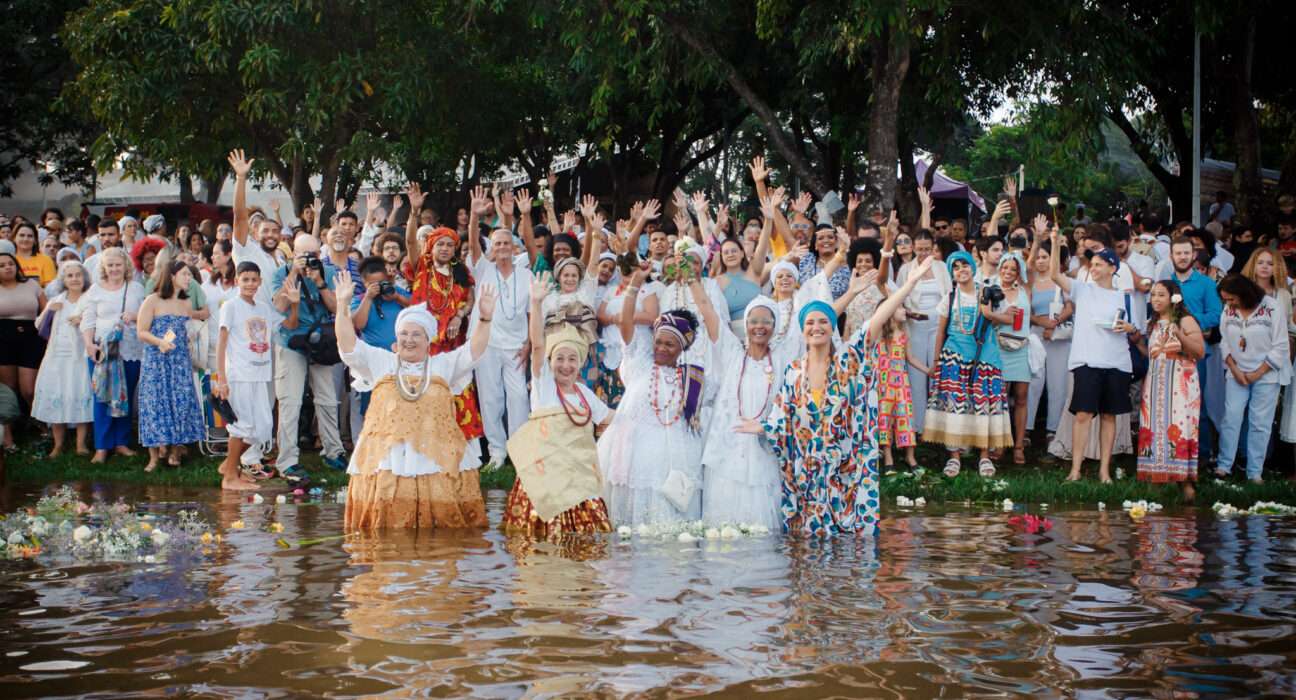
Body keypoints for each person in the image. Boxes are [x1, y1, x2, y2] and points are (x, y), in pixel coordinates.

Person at [737, 257, 934, 536]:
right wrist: (762, 427)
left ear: (832, 328)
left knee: (848, 547)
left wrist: (910, 283)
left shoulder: (849, 359)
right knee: (809, 546)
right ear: (803, 331)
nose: (816, 327)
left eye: (823, 322)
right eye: (810, 323)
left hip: (845, 468)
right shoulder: (794, 372)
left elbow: (878, 318)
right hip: (808, 472)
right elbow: (783, 418)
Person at [333, 269, 496, 529]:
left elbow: (473, 352)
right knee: (383, 534)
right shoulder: (381, 361)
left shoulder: (442, 365)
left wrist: (485, 319)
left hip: (436, 457)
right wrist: (342, 305)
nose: (409, 340)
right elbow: (348, 345)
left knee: (444, 535)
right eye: (404, 334)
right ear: (396, 338)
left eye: (416, 334)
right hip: (387, 457)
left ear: (428, 340)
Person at [598, 269, 720, 526]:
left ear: (681, 348)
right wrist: (634, 287)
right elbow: (627, 323)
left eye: (669, 345)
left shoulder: (692, 377)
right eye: (659, 342)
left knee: (672, 527)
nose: (662, 349)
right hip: (636, 456)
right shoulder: (638, 363)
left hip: (676, 459)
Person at [502, 277, 614, 536]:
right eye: (559, 358)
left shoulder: (584, 394)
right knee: (537, 538)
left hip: (577, 477)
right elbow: (538, 344)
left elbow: (610, 419)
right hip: (545, 476)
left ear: (580, 363)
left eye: (572, 359)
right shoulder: (544, 385)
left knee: (584, 541)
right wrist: (536, 303)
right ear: (550, 362)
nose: (565, 365)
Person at [405, 183, 486, 472]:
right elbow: (410, 244)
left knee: (460, 392)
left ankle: (466, 455)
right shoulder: (421, 269)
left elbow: (469, 301)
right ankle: (425, 450)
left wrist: (458, 316)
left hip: (454, 343)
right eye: (440, 243)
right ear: (432, 246)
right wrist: (414, 211)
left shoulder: (461, 274)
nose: (444, 248)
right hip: (425, 344)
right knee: (427, 392)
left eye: (449, 244)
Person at [1047, 231, 1138, 483]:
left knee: (1109, 416)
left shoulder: (1125, 297)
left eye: (1099, 264)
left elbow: (1135, 330)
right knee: (1083, 415)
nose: (1094, 268)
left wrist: (1129, 328)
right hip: (1087, 360)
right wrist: (1055, 245)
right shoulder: (1082, 290)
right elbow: (1055, 275)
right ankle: (1075, 470)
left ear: (1112, 267)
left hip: (1117, 361)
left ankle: (1104, 470)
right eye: (1092, 264)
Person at [701, 295, 796, 529]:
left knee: (761, 525)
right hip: (728, 449)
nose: (759, 326)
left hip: (765, 449)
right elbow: (707, 308)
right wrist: (692, 279)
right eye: (753, 321)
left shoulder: (784, 359)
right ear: (745, 325)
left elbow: (818, 318)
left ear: (775, 326)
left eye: (766, 321)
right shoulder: (732, 352)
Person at [923, 251, 1013, 477]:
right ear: (951, 273)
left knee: (983, 404)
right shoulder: (950, 297)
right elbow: (941, 331)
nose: (961, 270)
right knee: (955, 404)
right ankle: (955, 456)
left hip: (985, 357)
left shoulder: (988, 292)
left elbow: (1010, 319)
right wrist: (936, 362)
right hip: (954, 357)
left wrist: (988, 313)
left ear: (973, 267)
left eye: (965, 265)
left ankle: (984, 455)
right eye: (956, 267)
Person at [467, 188, 534, 470]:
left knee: (518, 397)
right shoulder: (483, 269)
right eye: (497, 244)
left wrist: (530, 343)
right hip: (488, 344)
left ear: (513, 247)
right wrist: (474, 215)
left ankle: (519, 450)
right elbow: (472, 244)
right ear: (491, 248)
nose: (502, 248)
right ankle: (496, 452)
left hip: (517, 345)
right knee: (491, 397)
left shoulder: (525, 272)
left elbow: (533, 312)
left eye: (507, 243)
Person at [272, 234, 347, 479]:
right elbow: (279, 307)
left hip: (320, 342)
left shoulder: (327, 271)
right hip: (291, 341)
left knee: (327, 399)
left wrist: (320, 282)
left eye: (314, 255)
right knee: (290, 402)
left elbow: (337, 307)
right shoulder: (280, 273)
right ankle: (287, 462)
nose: (309, 260)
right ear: (293, 253)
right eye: (304, 255)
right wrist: (293, 274)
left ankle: (333, 452)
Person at [1216, 274, 1291, 484]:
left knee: (1260, 422)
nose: (1229, 304)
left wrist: (1258, 373)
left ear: (1244, 294)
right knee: (1231, 417)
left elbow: (1281, 345)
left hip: (1266, 373)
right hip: (1236, 371)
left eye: (1232, 299)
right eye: (1226, 300)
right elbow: (1224, 341)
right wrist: (1234, 368)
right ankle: (1224, 466)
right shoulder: (1229, 309)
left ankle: (1254, 471)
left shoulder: (1272, 307)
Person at [213, 261, 279, 490]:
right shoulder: (230, 306)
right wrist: (221, 379)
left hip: (260, 375)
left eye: (254, 279)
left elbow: (285, 323)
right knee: (241, 426)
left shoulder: (263, 307)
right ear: (237, 281)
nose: (250, 284)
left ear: (260, 281)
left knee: (261, 428)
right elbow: (221, 345)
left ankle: (228, 465)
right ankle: (230, 477)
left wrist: (294, 301)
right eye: (245, 279)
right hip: (238, 375)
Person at [1136, 280, 1204, 500]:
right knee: (1155, 427)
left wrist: (1180, 335)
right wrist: (1136, 340)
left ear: (1173, 297)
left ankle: (1185, 484)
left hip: (1180, 385)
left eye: (1161, 295)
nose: (1155, 299)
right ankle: (1155, 480)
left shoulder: (1185, 320)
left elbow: (1200, 351)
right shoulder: (1153, 323)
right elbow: (1154, 353)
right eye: (1153, 295)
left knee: (1180, 427)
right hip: (1156, 384)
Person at [135, 260, 205, 471]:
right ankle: (154, 456)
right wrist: (160, 342)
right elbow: (141, 331)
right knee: (155, 403)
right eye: (184, 274)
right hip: (156, 361)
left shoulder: (186, 303)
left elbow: (189, 328)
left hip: (180, 360)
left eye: (189, 275)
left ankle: (176, 451)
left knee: (180, 402)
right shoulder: (152, 300)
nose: (188, 278)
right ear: (172, 276)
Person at [79, 247, 145, 463]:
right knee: (102, 398)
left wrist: (134, 316)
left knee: (124, 397)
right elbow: (88, 320)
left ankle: (121, 442)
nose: (115, 269)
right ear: (104, 268)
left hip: (130, 350)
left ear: (125, 265)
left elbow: (147, 316)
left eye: (118, 264)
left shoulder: (136, 288)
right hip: (103, 351)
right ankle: (102, 446)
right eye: (110, 265)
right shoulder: (95, 290)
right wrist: (89, 344)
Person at [32, 260, 94, 456]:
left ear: (84, 277)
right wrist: (50, 311)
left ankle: (80, 444)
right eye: (70, 276)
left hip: (80, 357)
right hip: (57, 357)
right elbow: (38, 326)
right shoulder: (57, 299)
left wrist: (82, 320)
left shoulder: (90, 299)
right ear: (63, 280)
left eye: (78, 275)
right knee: (57, 394)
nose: (75, 279)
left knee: (80, 394)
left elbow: (99, 322)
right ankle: (58, 444)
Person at [896, 230, 949, 434]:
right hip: (915, 325)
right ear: (913, 248)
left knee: (937, 374)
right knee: (917, 376)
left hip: (938, 325)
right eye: (919, 249)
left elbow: (948, 294)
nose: (924, 253)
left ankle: (938, 426)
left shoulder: (941, 267)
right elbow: (900, 296)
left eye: (927, 249)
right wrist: (908, 313)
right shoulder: (906, 269)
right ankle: (918, 426)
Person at [1026, 234, 1073, 444]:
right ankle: (1026, 427)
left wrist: (1053, 324)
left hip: (1059, 337)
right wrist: (1041, 322)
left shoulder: (1060, 280)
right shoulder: (1030, 282)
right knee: (1034, 381)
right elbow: (1025, 309)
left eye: (1045, 257)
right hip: (1036, 335)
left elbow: (1070, 306)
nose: (1041, 261)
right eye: (1038, 257)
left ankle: (1053, 429)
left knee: (1057, 384)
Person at [0, 251, 47, 448]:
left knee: (29, 390)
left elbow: (47, 311)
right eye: (2, 265)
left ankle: (44, 426)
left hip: (31, 338)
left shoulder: (31, 284)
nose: (7, 267)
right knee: (8, 391)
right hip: (2, 340)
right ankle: (8, 438)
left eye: (10, 263)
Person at [228, 150, 284, 306]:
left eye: (274, 231)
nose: (270, 235)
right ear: (255, 233)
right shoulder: (246, 250)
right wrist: (240, 178)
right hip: (251, 323)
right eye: (265, 231)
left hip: (279, 326)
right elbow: (239, 217)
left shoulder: (281, 259)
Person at [994, 252, 1032, 463]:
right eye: (1005, 267)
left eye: (1013, 269)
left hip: (1022, 346)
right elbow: (987, 318)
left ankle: (1019, 446)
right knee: (1002, 397)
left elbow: (1030, 317)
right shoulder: (992, 289)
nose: (1008, 272)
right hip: (1000, 346)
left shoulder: (1025, 290)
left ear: (1019, 273)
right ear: (999, 268)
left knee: (1022, 396)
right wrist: (1004, 315)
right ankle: (1000, 443)